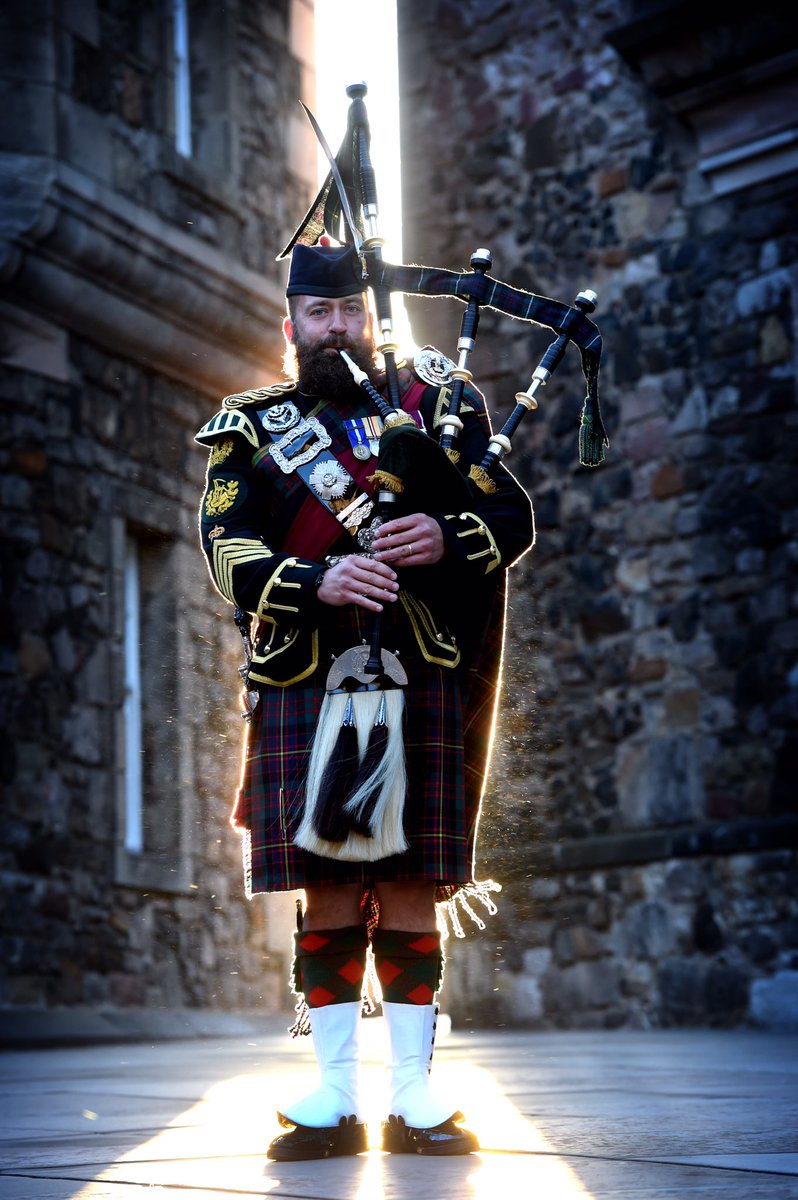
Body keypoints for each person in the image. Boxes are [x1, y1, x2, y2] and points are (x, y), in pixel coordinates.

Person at [196, 243, 534, 1160]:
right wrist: (320, 581)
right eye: (319, 313)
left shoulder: (438, 410)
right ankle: (335, 1093)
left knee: (412, 883)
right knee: (329, 885)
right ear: (291, 324)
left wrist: (445, 534)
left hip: (416, 669)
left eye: (350, 311)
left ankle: (417, 1094)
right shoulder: (251, 429)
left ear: (371, 317)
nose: (335, 326)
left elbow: (511, 519)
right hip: (307, 671)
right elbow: (225, 544)